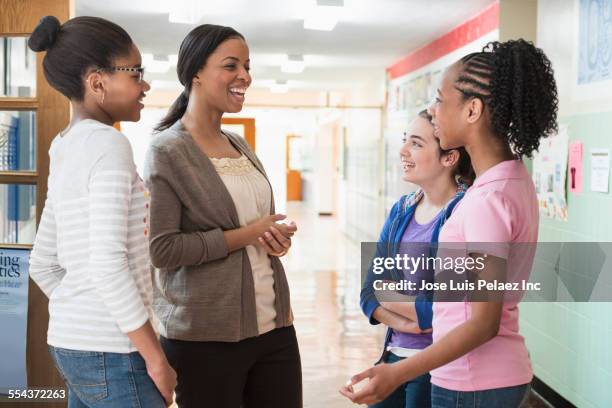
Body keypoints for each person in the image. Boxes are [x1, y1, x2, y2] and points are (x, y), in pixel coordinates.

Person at [341, 39, 558, 408]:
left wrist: (398, 373)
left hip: (472, 383)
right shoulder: (512, 180)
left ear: (472, 110)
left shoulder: (485, 202)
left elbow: (481, 322)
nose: (433, 108)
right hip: (488, 376)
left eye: (440, 99)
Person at [144, 24, 302, 408]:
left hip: (274, 326)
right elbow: (162, 250)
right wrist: (247, 235)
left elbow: (256, 225)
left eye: (247, 66)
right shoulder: (167, 151)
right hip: (205, 337)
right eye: (231, 65)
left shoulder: (241, 144)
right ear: (195, 72)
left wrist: (274, 240)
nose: (244, 76)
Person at [28, 15, 176, 407]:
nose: (145, 85)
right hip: (114, 350)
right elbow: (109, 264)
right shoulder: (109, 145)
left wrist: (81, 311)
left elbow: (42, 263)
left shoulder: (64, 145)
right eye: (135, 73)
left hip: (70, 345)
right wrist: (156, 357)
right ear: (97, 82)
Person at [360, 110, 473, 408]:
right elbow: (369, 291)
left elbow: (453, 307)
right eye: (404, 141)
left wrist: (403, 305)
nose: (403, 151)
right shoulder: (401, 210)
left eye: (416, 143)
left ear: (449, 158)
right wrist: (413, 322)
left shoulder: (464, 213)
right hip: (394, 356)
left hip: (437, 365)